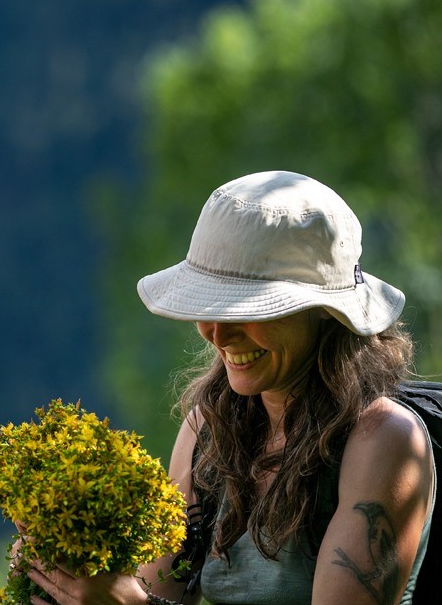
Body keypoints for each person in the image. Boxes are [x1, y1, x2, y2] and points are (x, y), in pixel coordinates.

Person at [22, 171, 433, 604]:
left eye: (246, 309)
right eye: (207, 305)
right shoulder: (209, 429)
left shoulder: (384, 442)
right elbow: (157, 592)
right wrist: (67, 578)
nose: (217, 334)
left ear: (327, 311)